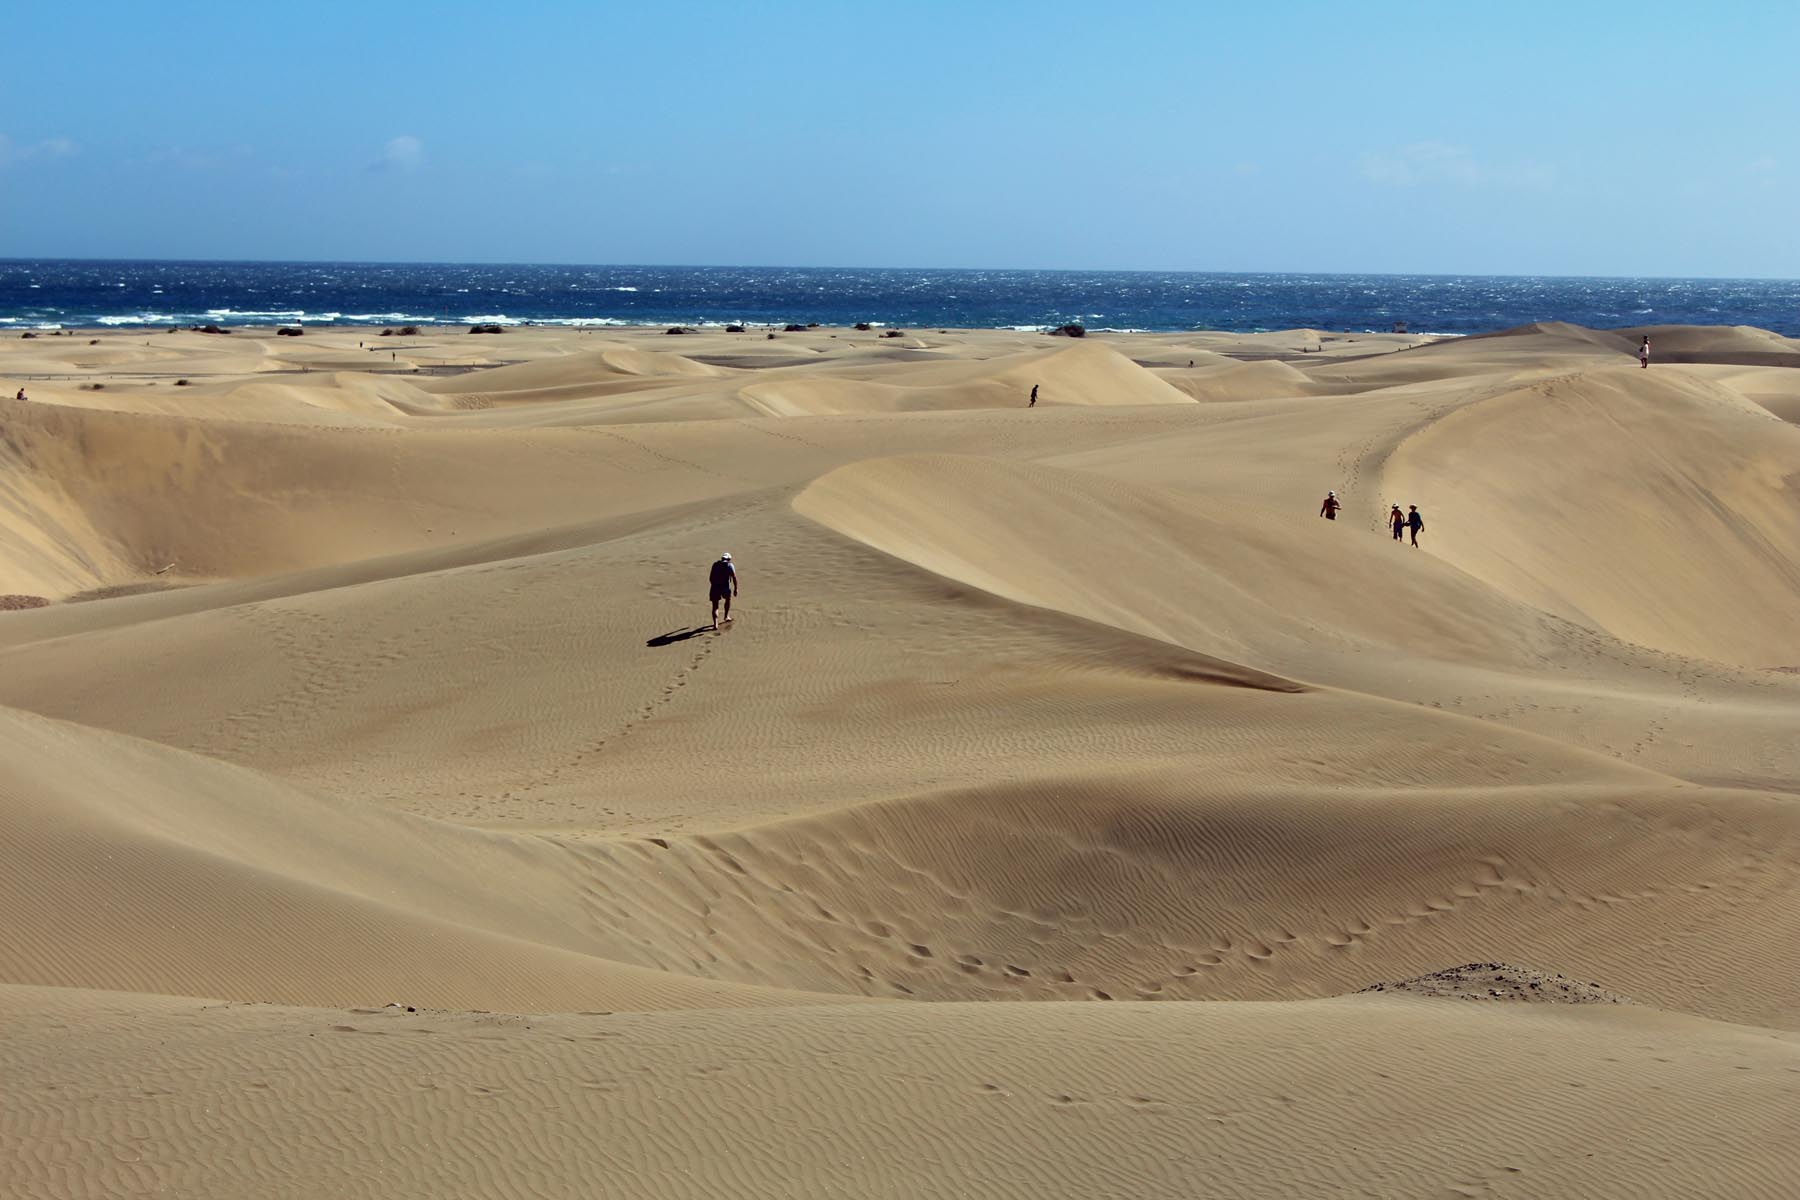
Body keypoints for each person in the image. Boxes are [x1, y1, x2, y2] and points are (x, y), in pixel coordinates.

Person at [709, 552, 738, 629]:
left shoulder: (715, 565)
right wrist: (736, 588)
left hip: (715, 587)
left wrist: (714, 585)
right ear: (729, 559)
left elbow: (711, 577)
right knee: (728, 600)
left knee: (715, 606)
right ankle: (726, 616)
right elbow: (734, 577)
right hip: (725, 587)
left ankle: (715, 624)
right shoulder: (729, 565)